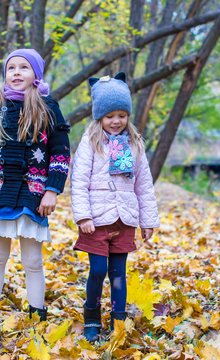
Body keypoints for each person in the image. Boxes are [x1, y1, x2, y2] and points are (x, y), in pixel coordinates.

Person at [0, 49, 70, 333]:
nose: (16, 73)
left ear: (36, 74)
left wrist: (52, 190)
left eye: (24, 67)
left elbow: (60, 154)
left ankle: (38, 317)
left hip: (33, 195)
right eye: (11, 67)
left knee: (33, 260)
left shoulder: (48, 108)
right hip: (0, 193)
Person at [70, 72, 159, 342]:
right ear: (100, 117)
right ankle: (92, 318)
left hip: (125, 218)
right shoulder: (90, 142)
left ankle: (118, 320)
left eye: (121, 115)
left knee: (119, 274)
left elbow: (144, 185)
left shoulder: (134, 144)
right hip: (96, 219)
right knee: (97, 270)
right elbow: (78, 181)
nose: (116, 121)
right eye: (110, 116)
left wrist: (148, 220)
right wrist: (83, 215)